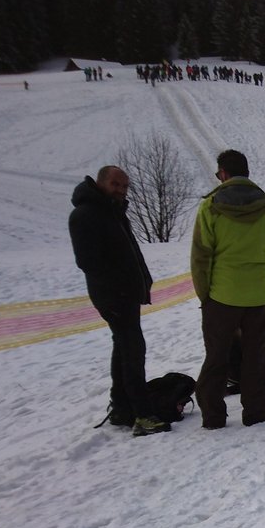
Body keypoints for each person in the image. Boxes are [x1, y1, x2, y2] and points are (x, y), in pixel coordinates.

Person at [191, 150, 265, 428]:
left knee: (216, 357)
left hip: (221, 297)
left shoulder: (210, 207)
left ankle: (213, 416)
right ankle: (256, 411)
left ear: (223, 173)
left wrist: (205, 296)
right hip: (259, 297)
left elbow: (200, 258)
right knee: (254, 355)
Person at [69, 166, 168, 436]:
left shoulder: (113, 211)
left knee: (124, 348)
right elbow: (88, 261)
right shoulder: (85, 214)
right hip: (113, 295)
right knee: (132, 350)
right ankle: (142, 415)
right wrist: (121, 283)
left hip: (125, 293)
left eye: (125, 186)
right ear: (100, 183)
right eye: (115, 184)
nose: (121, 190)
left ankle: (123, 407)